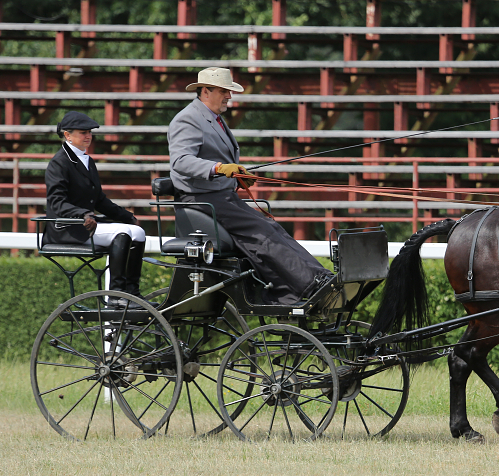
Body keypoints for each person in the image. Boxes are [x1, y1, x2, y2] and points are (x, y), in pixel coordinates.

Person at [167, 67, 333, 305]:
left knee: (270, 226)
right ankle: (306, 285)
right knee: (260, 230)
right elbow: (181, 161)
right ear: (206, 91)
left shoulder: (213, 118)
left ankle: (318, 278)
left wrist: (235, 175)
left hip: (220, 196)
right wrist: (219, 168)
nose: (229, 96)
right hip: (202, 200)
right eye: (224, 91)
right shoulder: (188, 119)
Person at [45, 111, 146, 307]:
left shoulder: (87, 161)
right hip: (67, 227)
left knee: (138, 232)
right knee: (123, 233)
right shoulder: (58, 163)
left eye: (89, 132)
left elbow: (99, 200)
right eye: (83, 132)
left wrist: (127, 216)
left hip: (87, 224)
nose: (88, 136)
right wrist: (82, 213)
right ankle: (116, 294)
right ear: (67, 135)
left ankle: (132, 291)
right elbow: (56, 202)